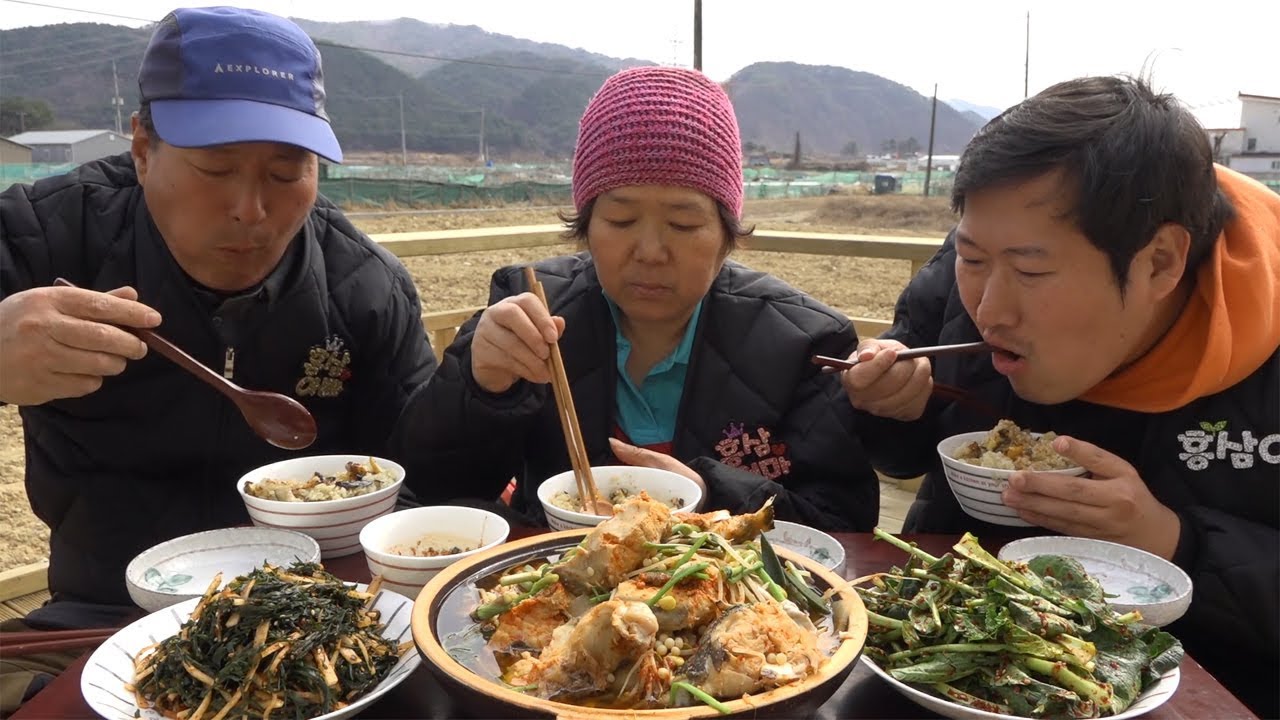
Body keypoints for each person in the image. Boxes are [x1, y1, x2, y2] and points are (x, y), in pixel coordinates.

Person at [0, 7, 436, 709]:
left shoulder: (365, 287)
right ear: (142, 148)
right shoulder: (45, 236)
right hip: (98, 615)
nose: (250, 209)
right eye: (217, 167)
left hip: (317, 625)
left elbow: (422, 471)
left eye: (286, 171)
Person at [842, 75, 1278, 717]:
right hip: (944, 667)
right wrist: (893, 406)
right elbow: (913, 445)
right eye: (971, 258)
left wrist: (1174, 542)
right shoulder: (983, 256)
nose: (989, 310)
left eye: (1033, 271)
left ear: (1159, 263)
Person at [397, 66, 880, 530]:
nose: (650, 252)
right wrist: (480, 389)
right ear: (586, 226)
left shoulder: (803, 344)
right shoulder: (532, 308)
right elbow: (430, 491)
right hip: (549, 592)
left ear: (727, 234)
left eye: (684, 224)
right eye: (621, 221)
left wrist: (713, 497)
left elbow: (842, 523)